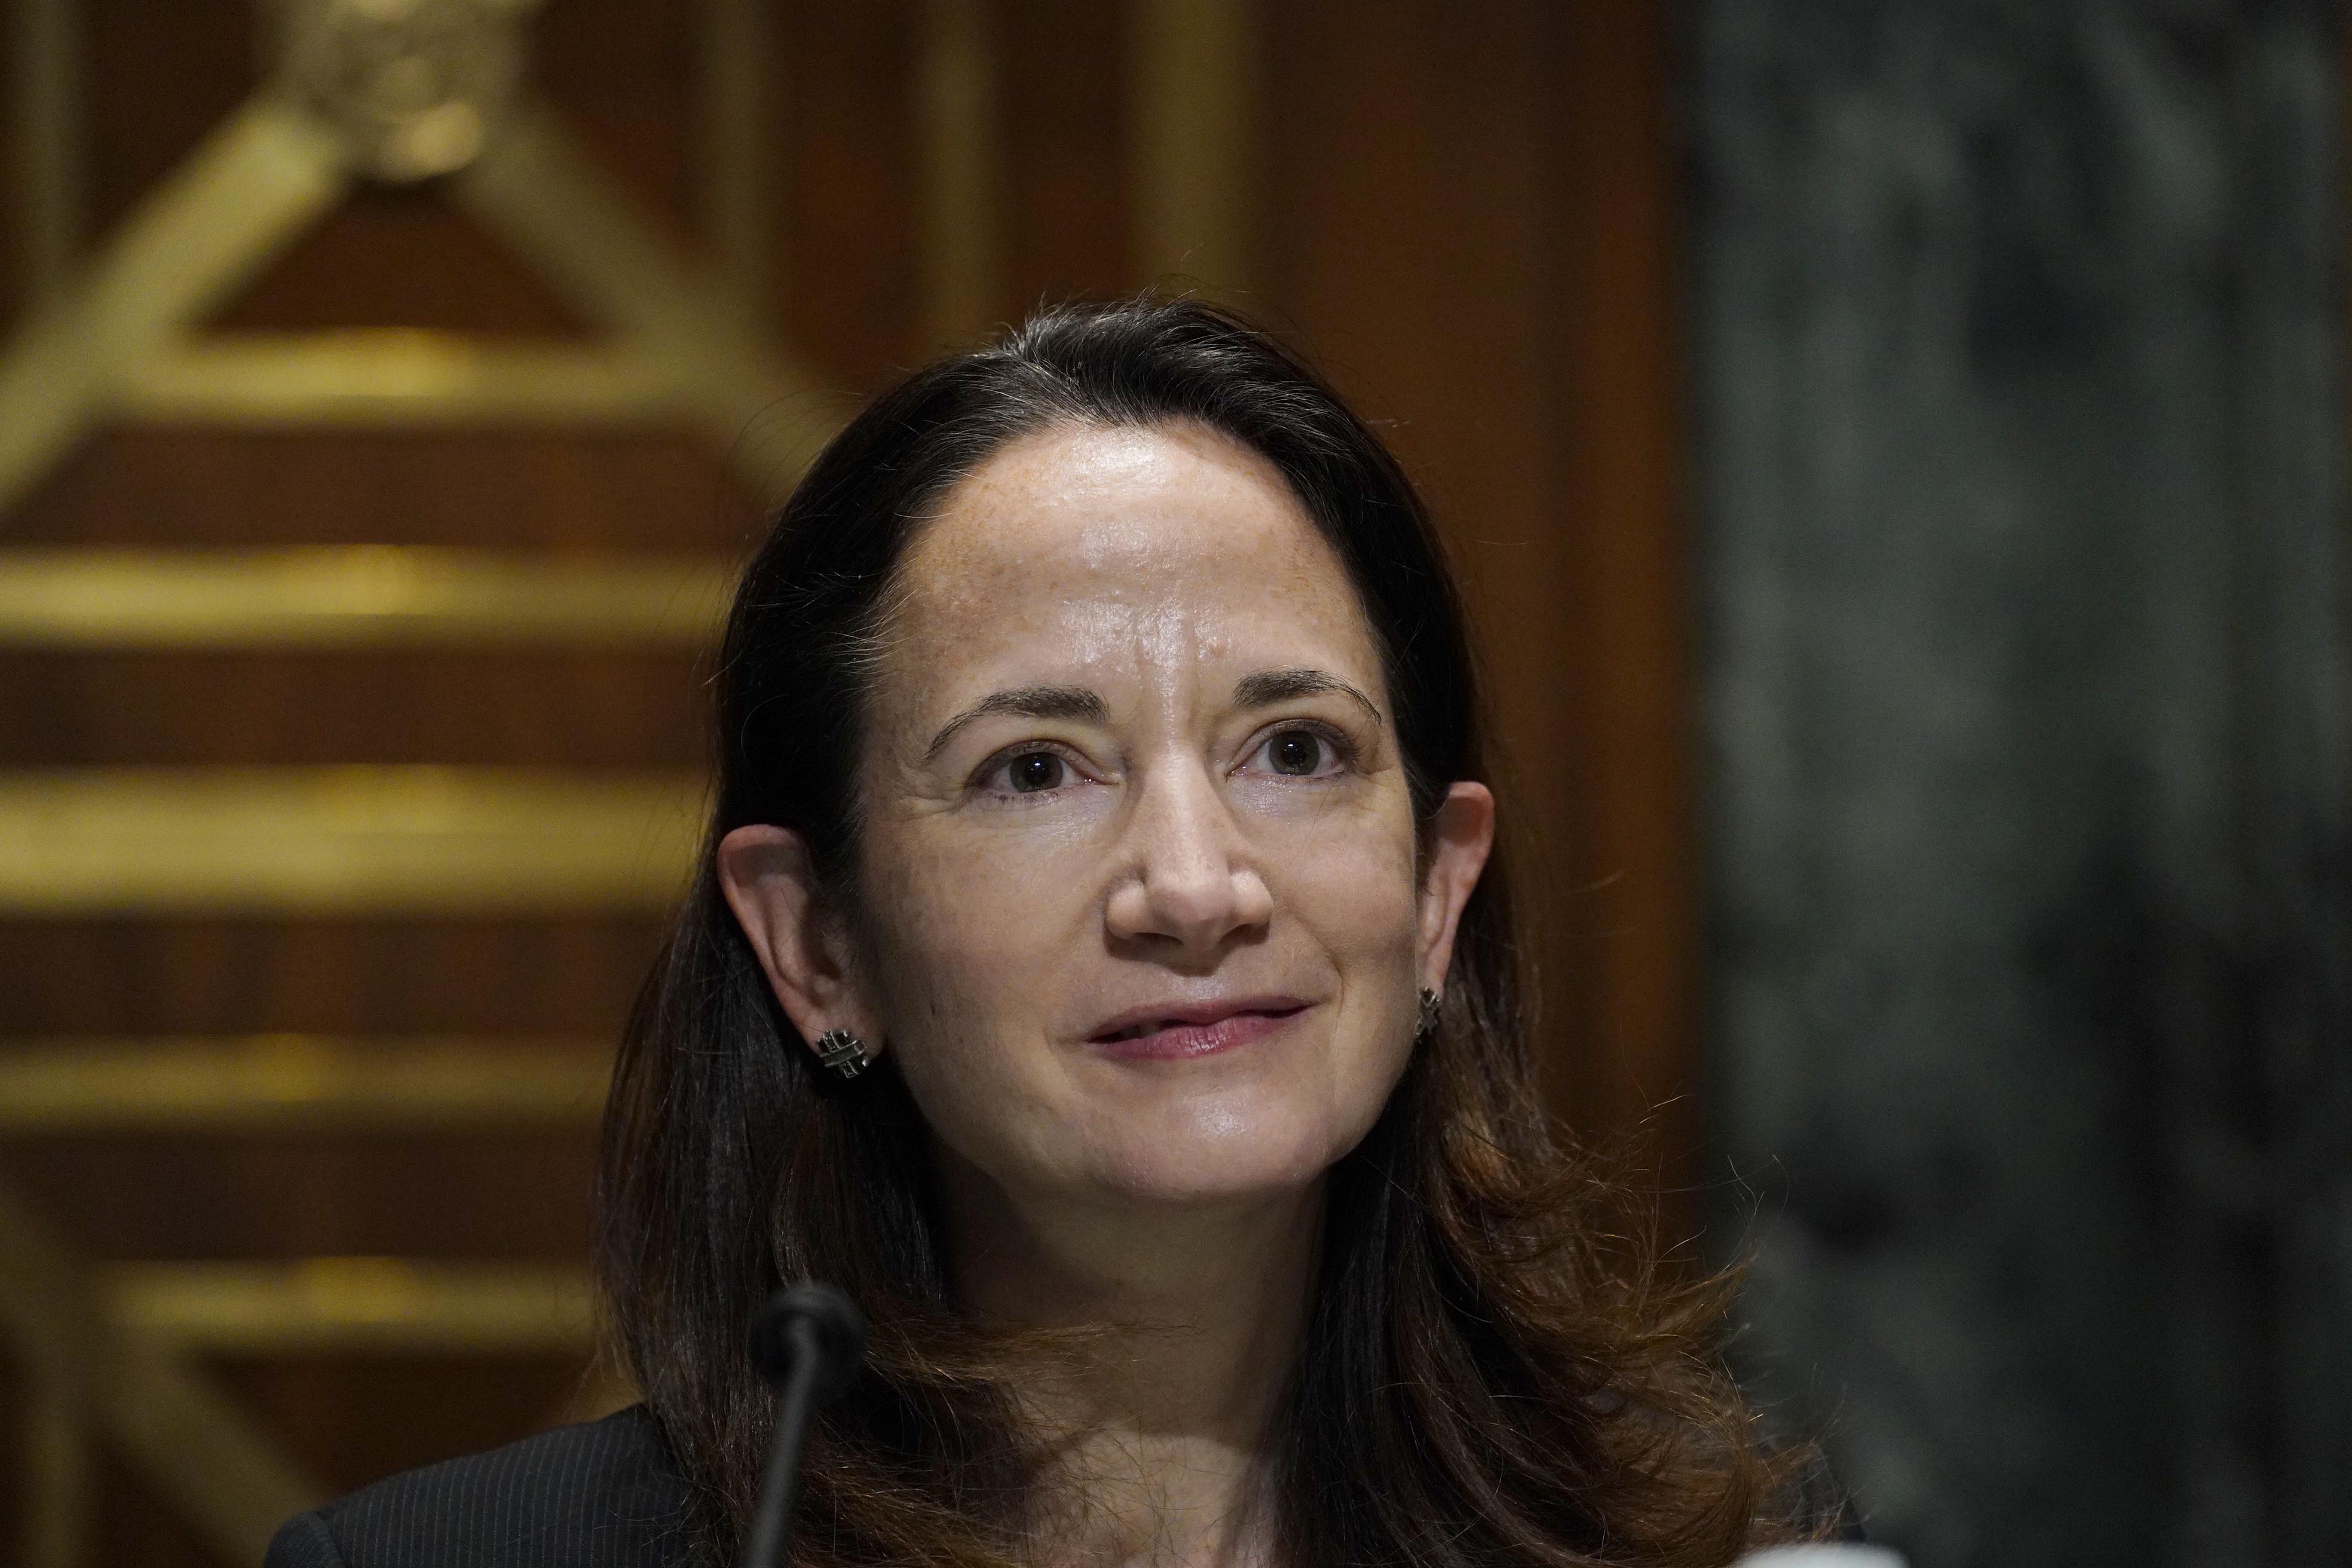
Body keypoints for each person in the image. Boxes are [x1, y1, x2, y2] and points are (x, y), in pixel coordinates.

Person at [267, 298, 1840, 1568]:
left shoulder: (1682, 1552)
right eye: (1034, 771)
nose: (1195, 888)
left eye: (1295, 749)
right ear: (820, 948)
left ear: (1436, 895)